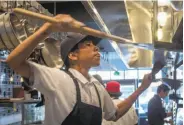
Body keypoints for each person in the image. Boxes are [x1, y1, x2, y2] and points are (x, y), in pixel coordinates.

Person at [6, 14, 152, 125]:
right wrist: (48, 28)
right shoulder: (58, 79)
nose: (95, 48)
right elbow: (14, 62)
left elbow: (114, 114)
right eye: (88, 44)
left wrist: (141, 89)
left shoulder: (97, 86)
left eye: (94, 45)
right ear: (73, 55)